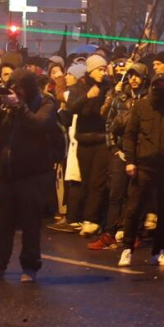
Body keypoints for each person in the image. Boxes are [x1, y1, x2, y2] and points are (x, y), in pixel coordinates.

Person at [0, 69, 62, 283]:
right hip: (8, 172)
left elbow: (40, 124)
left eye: (19, 88)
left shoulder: (45, 102)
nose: (15, 92)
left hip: (34, 173)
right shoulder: (8, 105)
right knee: (4, 222)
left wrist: (20, 107)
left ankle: (29, 266)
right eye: (12, 88)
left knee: (30, 223)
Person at [116, 73, 164, 267]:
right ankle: (127, 249)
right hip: (143, 165)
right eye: (157, 86)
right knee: (134, 209)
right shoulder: (141, 106)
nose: (160, 90)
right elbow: (130, 135)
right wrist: (130, 161)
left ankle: (159, 251)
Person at [89, 62, 149, 251]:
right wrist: (113, 148)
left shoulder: (149, 99)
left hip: (140, 154)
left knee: (136, 196)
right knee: (115, 194)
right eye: (130, 75)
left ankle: (134, 234)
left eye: (137, 75)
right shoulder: (119, 98)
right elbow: (108, 123)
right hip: (120, 152)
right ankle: (109, 234)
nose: (133, 79)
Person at [66, 54, 110, 237]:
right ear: (91, 70)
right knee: (86, 180)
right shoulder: (78, 87)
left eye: (104, 69)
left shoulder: (108, 86)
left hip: (101, 140)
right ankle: (87, 218)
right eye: (100, 69)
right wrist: (87, 96)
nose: (103, 72)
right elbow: (71, 109)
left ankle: (92, 220)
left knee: (97, 182)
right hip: (84, 139)